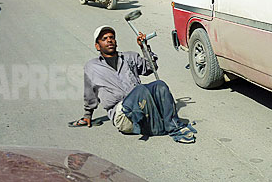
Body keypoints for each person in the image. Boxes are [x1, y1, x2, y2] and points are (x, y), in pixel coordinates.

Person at [69, 26, 197, 144]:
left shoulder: (129, 57)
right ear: (97, 46)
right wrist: (87, 115)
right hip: (123, 116)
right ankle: (157, 124)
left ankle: (174, 128)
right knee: (140, 90)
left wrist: (144, 47)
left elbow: (150, 68)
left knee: (159, 85)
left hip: (142, 107)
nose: (109, 40)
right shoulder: (92, 67)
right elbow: (89, 94)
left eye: (112, 37)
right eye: (104, 39)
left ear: (116, 42)